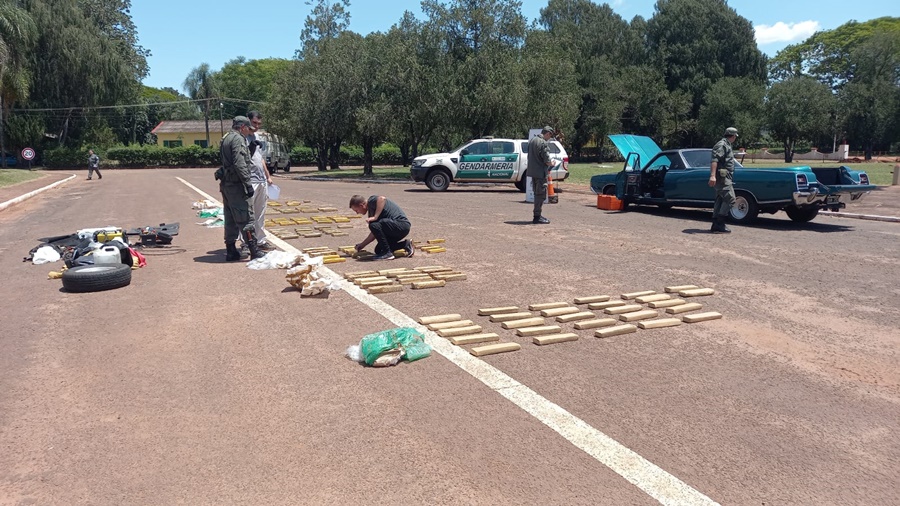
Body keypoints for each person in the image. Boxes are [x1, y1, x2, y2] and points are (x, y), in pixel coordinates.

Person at [218, 116, 265, 261]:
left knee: (231, 218)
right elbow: (239, 164)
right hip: (237, 185)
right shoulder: (238, 139)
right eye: (248, 128)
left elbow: (233, 160)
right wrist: (247, 183)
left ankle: (231, 250)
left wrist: (250, 148)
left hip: (227, 184)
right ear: (243, 127)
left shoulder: (226, 138)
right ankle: (254, 249)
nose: (248, 131)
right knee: (246, 217)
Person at [349, 194, 413, 261]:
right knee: (379, 250)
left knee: (373, 224)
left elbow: (382, 199)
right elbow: (374, 232)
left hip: (401, 225)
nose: (357, 213)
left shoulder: (371, 201)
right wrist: (362, 245)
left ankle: (388, 254)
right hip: (396, 229)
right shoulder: (372, 211)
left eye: (356, 210)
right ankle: (405, 244)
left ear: (361, 205)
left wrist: (375, 217)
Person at [245, 110, 275, 252]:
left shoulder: (256, 136)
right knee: (247, 214)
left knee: (260, 212)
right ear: (248, 120)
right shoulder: (242, 137)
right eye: (254, 123)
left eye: (259, 124)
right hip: (250, 180)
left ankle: (261, 240)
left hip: (261, 180)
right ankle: (246, 242)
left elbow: (260, 158)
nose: (256, 126)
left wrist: (267, 175)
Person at [708, 127, 738, 234]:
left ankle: (715, 224)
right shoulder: (722, 145)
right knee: (731, 199)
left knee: (720, 200)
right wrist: (712, 176)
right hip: (722, 178)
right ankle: (720, 224)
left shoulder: (726, 145)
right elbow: (714, 160)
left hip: (725, 177)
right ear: (733, 136)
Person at [526, 126, 556, 224]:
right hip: (540, 173)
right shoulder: (543, 143)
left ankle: (537, 215)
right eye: (550, 136)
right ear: (547, 133)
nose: (549, 138)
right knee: (540, 195)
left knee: (536, 193)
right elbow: (547, 160)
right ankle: (537, 216)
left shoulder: (532, 140)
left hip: (533, 172)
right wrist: (552, 163)